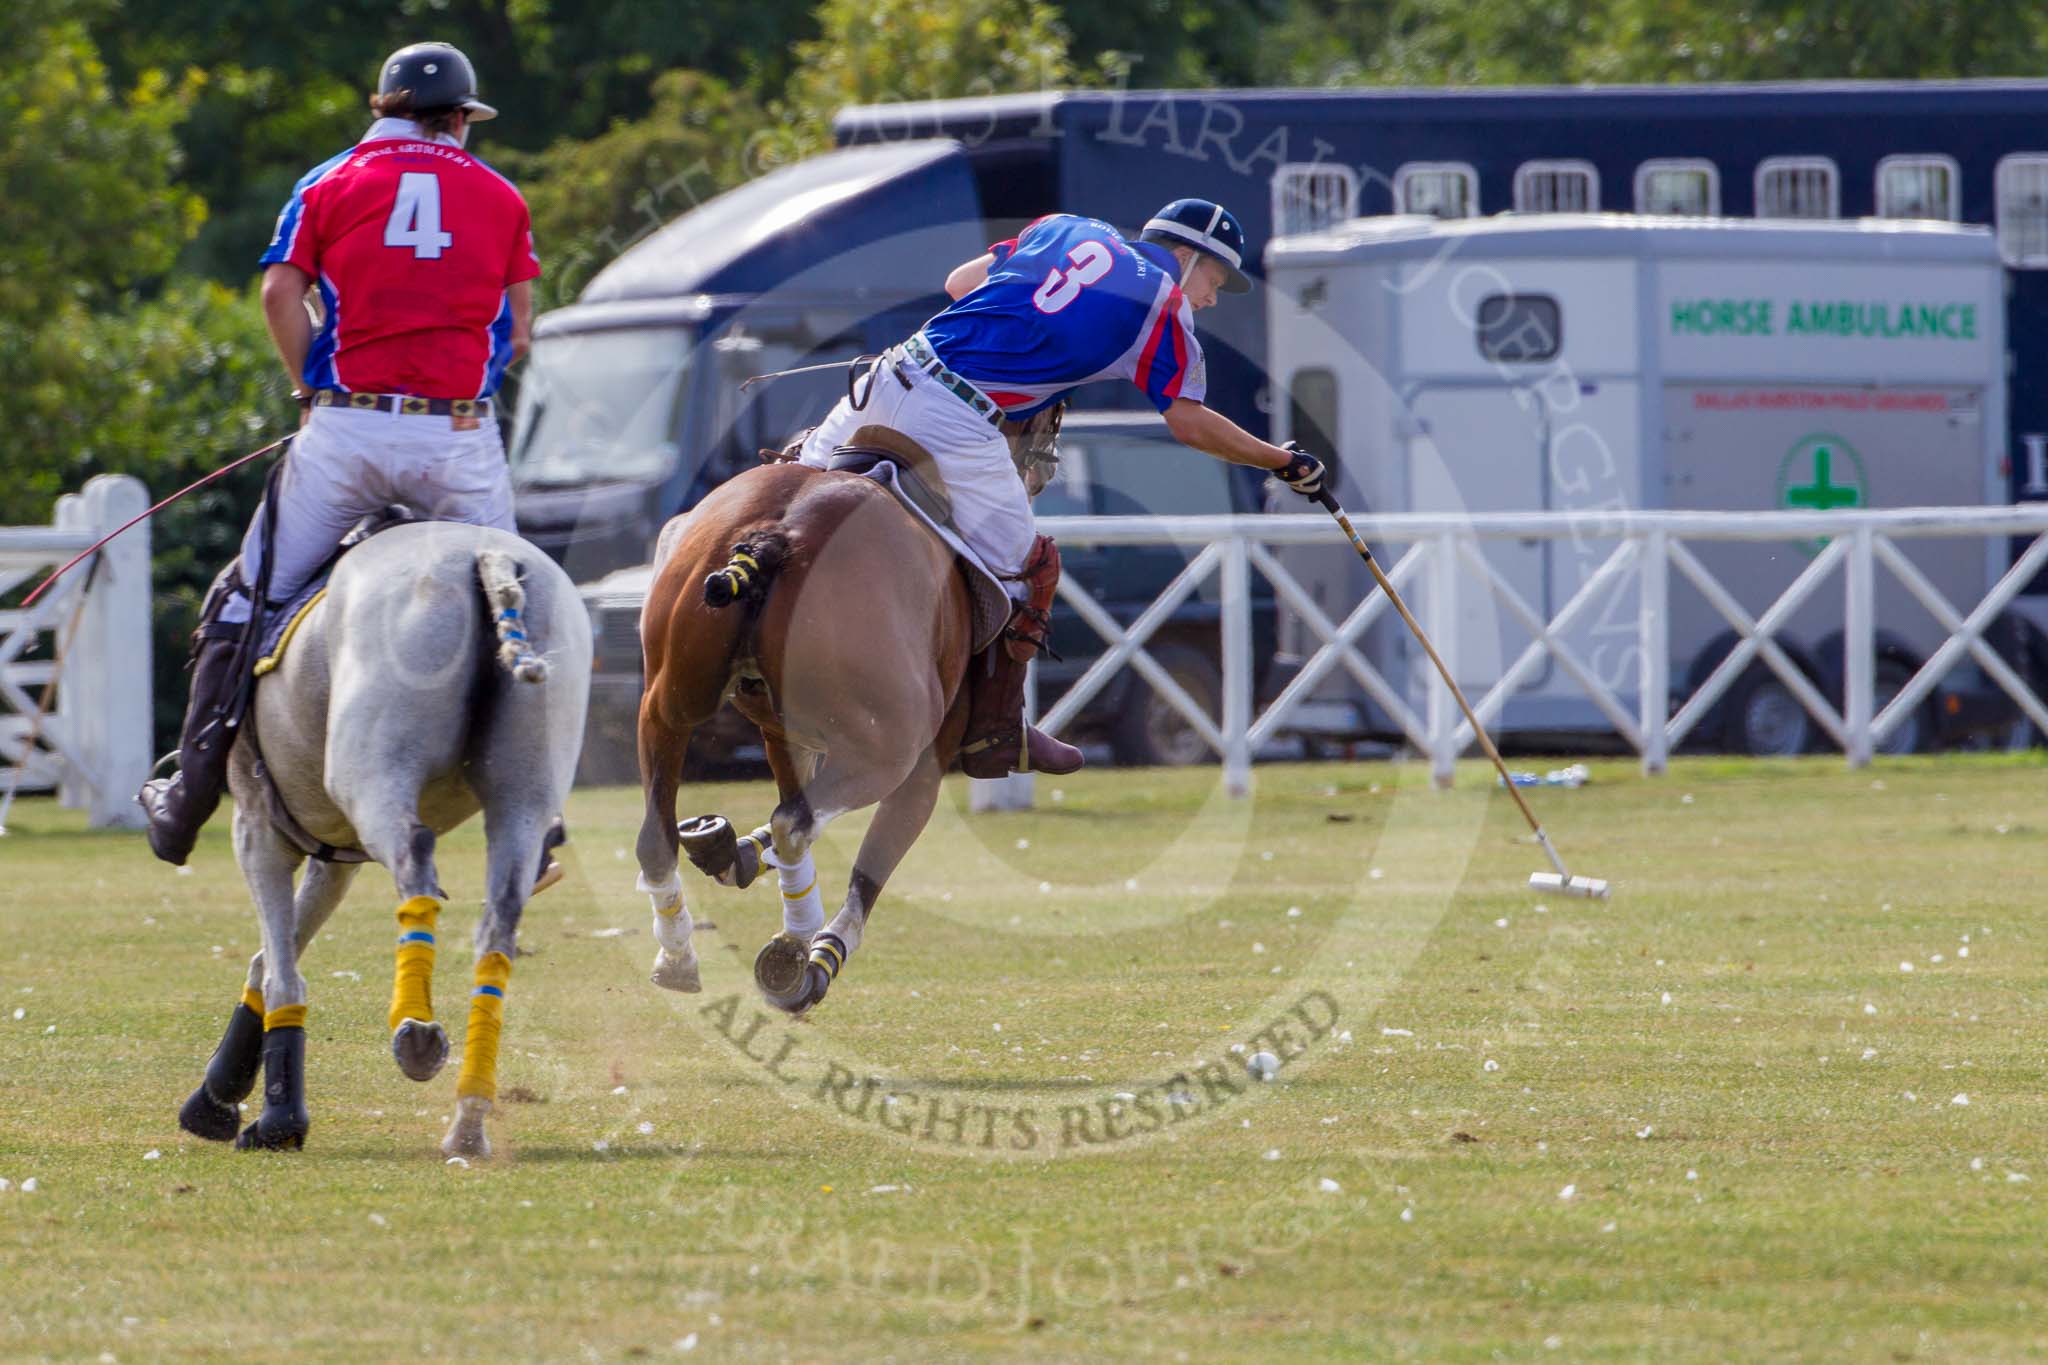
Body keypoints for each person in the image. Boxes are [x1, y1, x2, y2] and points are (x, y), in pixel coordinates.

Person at [139, 41, 541, 865]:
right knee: (519, 613)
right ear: (462, 118)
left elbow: (279, 290)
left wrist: (306, 384)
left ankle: (188, 794)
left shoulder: (326, 182)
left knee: (247, 599)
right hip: (457, 441)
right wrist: (454, 385)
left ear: (380, 108)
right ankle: (539, 818)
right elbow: (520, 328)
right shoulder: (502, 195)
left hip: (348, 433)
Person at [794, 199, 1326, 777]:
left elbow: (959, 283)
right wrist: (1281, 460)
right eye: (1213, 279)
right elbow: (1188, 421)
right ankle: (995, 729)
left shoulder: (1066, 226)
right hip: (958, 419)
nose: (1211, 297)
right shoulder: (1165, 306)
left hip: (887, 375)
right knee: (1030, 569)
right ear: (1185, 255)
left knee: (794, 503)